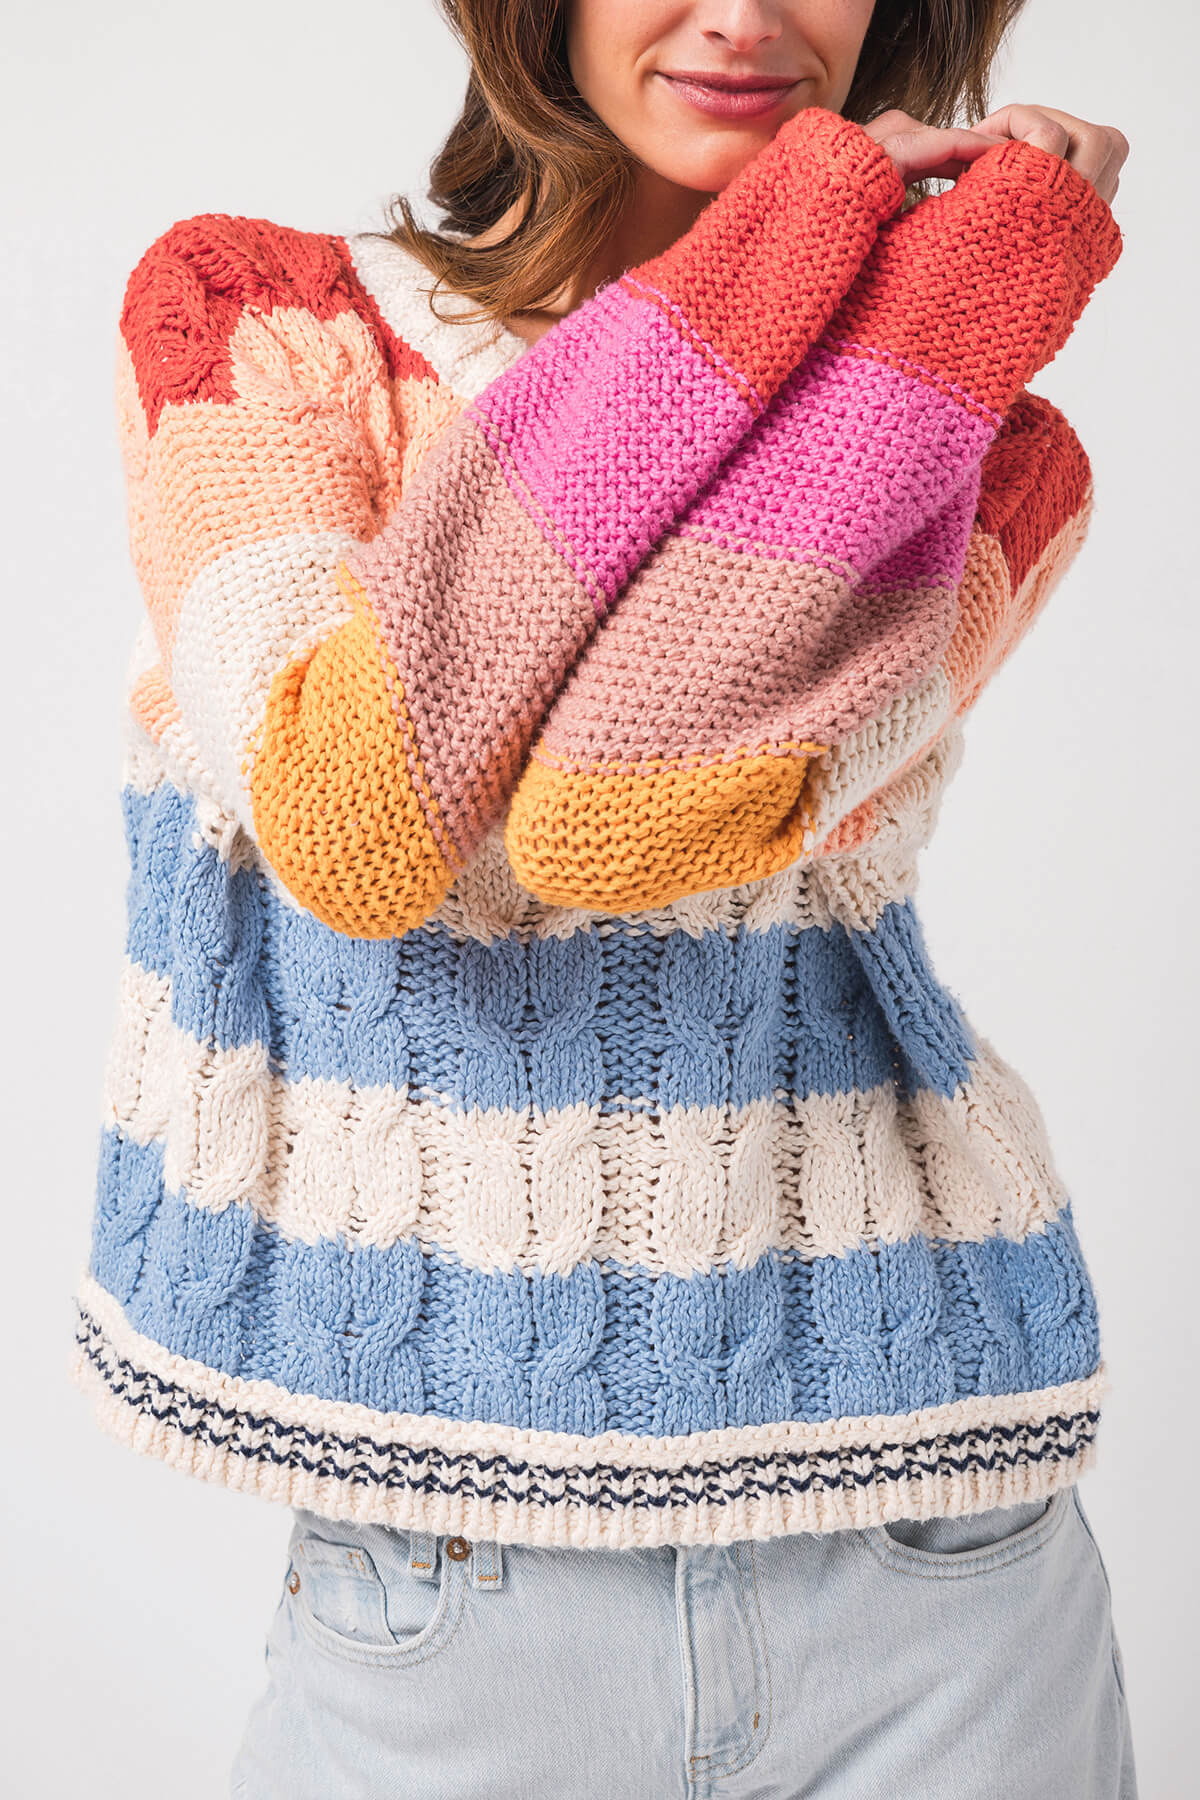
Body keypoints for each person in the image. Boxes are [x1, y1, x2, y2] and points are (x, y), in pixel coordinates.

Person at [72, 2, 1135, 1794]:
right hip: (442, 1588)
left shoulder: (966, 433)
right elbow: (352, 813)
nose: (742, 15)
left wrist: (932, 295)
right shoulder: (264, 321)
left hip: (929, 1563)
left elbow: (627, 807)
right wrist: (784, 241)